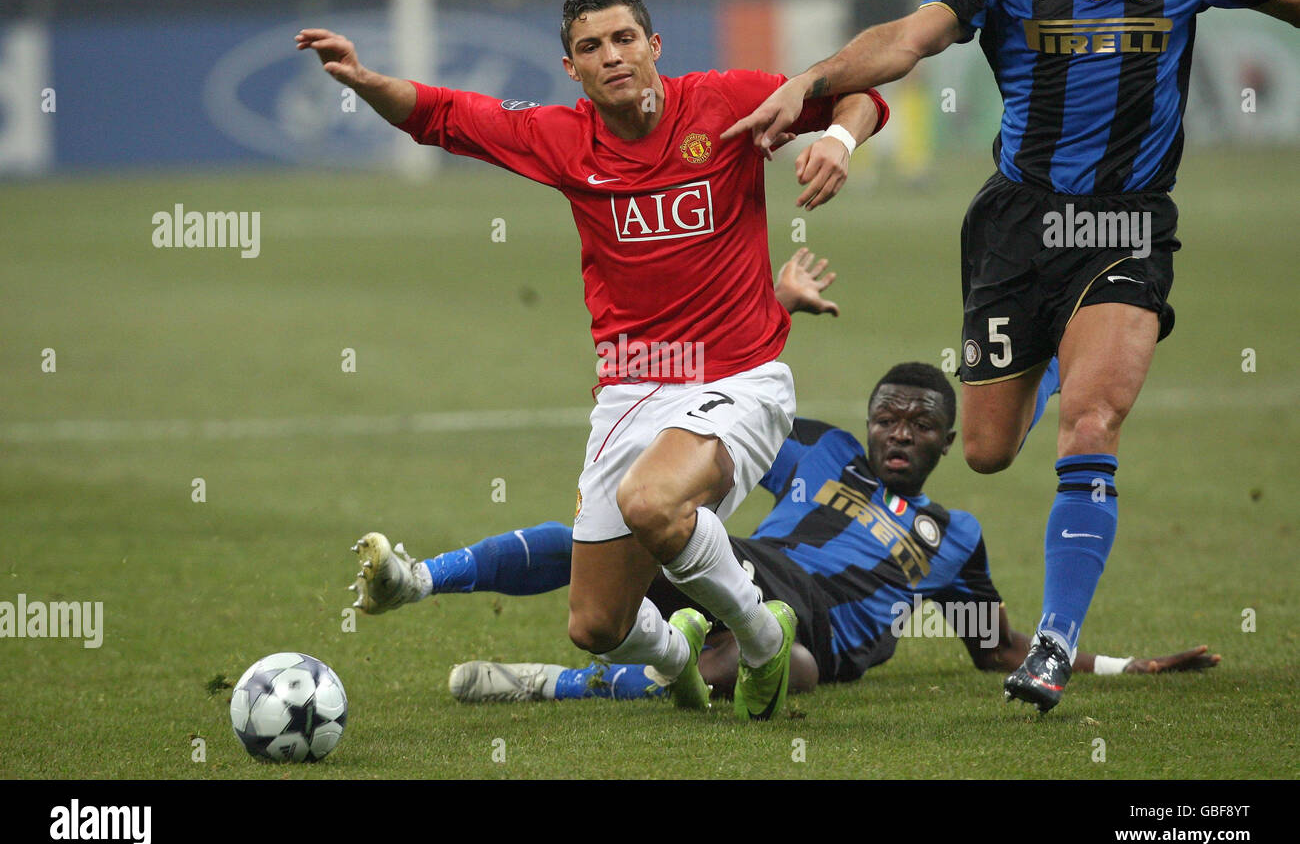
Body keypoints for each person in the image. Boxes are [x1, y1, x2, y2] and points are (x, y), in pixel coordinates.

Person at [723, 0, 1296, 712]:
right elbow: (908, 39)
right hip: (1017, 230)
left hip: (1128, 224)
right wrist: (811, 86)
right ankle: (1075, 348)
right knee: (989, 449)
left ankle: (1054, 643)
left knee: (1091, 421)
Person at [299, 0, 889, 721]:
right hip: (630, 393)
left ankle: (764, 642)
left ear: (654, 47)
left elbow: (856, 93)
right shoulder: (563, 137)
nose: (611, 56)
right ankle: (678, 658)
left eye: (623, 39)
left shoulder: (725, 103)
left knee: (652, 502)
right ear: (571, 67)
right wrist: (365, 79)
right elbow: (442, 115)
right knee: (597, 625)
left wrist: (837, 140)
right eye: (590, 47)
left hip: (741, 377)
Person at [343, 352, 1217, 704]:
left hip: (829, 638)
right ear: (870, 424)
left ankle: (547, 684)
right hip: (747, 565)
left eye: (919, 423)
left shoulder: (957, 536)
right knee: (612, 539)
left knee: (772, 667)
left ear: (950, 441)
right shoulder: (821, 451)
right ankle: (422, 579)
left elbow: (994, 648)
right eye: (889, 418)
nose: (900, 432)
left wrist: (1121, 663)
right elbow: (731, 410)